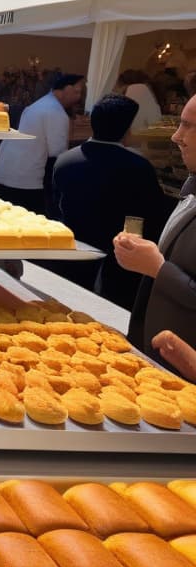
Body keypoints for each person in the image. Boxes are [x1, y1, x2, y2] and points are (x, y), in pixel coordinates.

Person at [51, 94, 171, 307]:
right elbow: (146, 215)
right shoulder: (138, 167)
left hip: (72, 252)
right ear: (127, 130)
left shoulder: (65, 160)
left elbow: (56, 206)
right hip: (116, 262)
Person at [114, 93, 196, 371]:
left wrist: (158, 267)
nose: (176, 136)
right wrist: (143, 257)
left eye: (188, 125)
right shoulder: (191, 187)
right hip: (155, 355)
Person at [0, 73, 84, 215]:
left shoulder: (41, 105)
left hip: (7, 175)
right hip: (26, 182)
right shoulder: (55, 111)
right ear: (65, 89)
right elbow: (58, 154)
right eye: (76, 92)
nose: (78, 97)